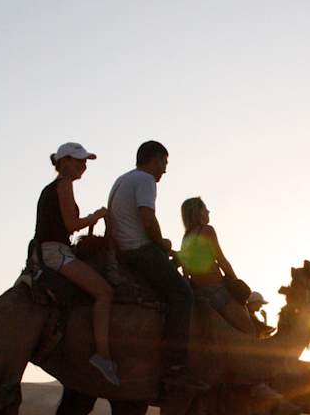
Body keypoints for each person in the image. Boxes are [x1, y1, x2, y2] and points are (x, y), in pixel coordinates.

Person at [107, 140, 197, 388]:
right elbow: (148, 219)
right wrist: (163, 244)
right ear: (154, 159)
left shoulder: (123, 179)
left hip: (123, 248)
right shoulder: (145, 181)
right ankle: (175, 364)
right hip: (139, 250)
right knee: (183, 295)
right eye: (164, 163)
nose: (164, 170)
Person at [34, 142, 119, 386]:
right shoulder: (64, 185)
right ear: (65, 162)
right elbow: (72, 225)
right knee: (104, 292)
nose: (83, 165)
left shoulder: (55, 187)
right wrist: (98, 216)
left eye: (85, 161)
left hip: (48, 251)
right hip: (55, 253)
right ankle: (103, 356)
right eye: (79, 161)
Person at [177, 196, 253, 334]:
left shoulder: (186, 238)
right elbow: (222, 261)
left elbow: (186, 271)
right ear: (199, 212)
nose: (208, 211)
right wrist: (236, 282)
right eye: (205, 209)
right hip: (217, 292)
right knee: (250, 332)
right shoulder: (207, 230)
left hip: (199, 294)